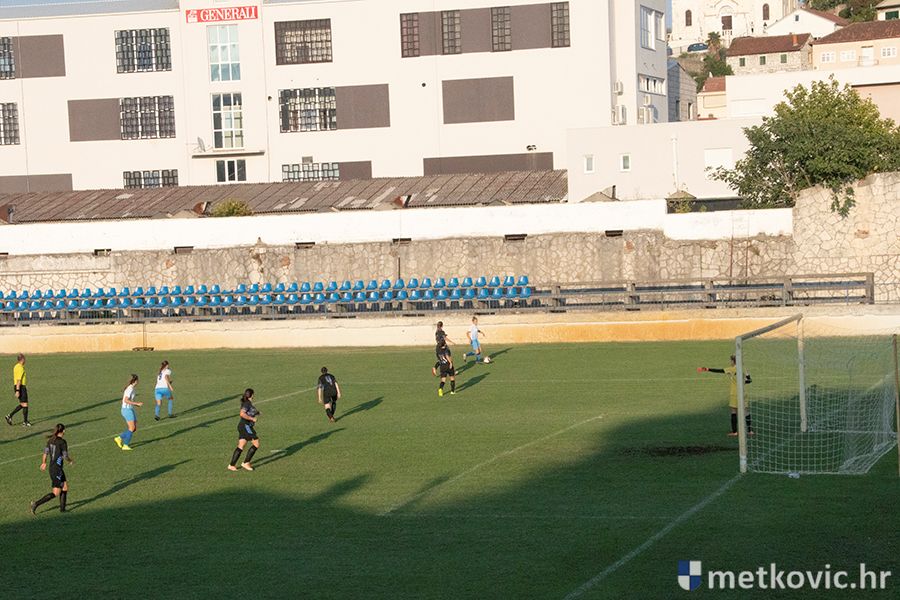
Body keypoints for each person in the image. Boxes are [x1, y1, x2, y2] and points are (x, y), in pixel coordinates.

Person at [698, 355, 753, 437]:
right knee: (746, 411)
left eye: (731, 361)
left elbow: (720, 371)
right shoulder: (743, 369)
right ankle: (750, 431)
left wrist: (708, 369)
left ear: (733, 361)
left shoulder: (731, 369)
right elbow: (749, 381)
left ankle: (734, 432)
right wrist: (745, 379)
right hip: (743, 393)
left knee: (734, 411)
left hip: (734, 393)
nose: (730, 362)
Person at [30, 423, 73, 514]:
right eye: (64, 430)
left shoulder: (51, 440)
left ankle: (63, 510)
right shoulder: (62, 442)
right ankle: (36, 504)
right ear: (62, 431)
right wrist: (70, 461)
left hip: (54, 468)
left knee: (65, 487)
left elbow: (45, 453)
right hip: (57, 470)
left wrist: (44, 462)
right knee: (56, 492)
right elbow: (65, 456)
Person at [228, 389, 260, 471]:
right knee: (256, 443)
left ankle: (231, 465)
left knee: (241, 445)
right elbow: (242, 414)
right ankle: (246, 463)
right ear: (252, 395)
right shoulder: (247, 403)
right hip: (246, 426)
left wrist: (257, 413)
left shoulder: (247, 403)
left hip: (242, 426)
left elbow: (249, 411)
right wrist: (252, 419)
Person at [114, 374, 143, 451]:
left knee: (134, 428)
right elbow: (126, 400)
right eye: (138, 380)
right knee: (132, 428)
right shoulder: (130, 389)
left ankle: (119, 438)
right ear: (135, 381)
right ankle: (125, 445)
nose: (138, 381)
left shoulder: (132, 388)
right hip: (127, 410)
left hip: (130, 409)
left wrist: (135, 405)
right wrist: (136, 403)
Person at [5, 354, 32, 427]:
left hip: (17, 386)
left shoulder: (16, 366)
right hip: (20, 387)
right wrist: (18, 390)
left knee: (23, 404)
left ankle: (9, 416)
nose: (25, 360)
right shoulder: (20, 368)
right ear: (22, 359)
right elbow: (19, 380)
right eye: (24, 359)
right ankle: (25, 422)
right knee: (25, 404)